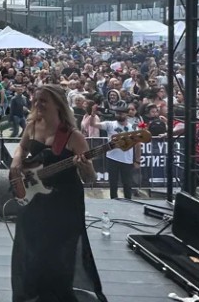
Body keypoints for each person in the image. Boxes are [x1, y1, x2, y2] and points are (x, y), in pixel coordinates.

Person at [9, 85, 106, 301]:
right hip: (35, 198)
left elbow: (90, 178)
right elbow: (22, 148)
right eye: (36, 100)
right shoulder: (33, 125)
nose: (37, 104)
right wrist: (16, 161)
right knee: (30, 247)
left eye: (43, 100)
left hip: (64, 203)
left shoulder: (73, 136)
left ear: (57, 104)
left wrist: (84, 166)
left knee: (58, 254)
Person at [100, 102, 141, 200]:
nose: (119, 115)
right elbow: (94, 124)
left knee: (127, 183)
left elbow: (138, 145)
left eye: (121, 113)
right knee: (113, 183)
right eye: (117, 113)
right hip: (112, 158)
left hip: (127, 159)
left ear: (126, 114)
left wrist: (137, 160)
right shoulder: (110, 124)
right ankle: (113, 200)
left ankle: (128, 201)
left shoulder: (133, 128)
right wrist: (92, 114)